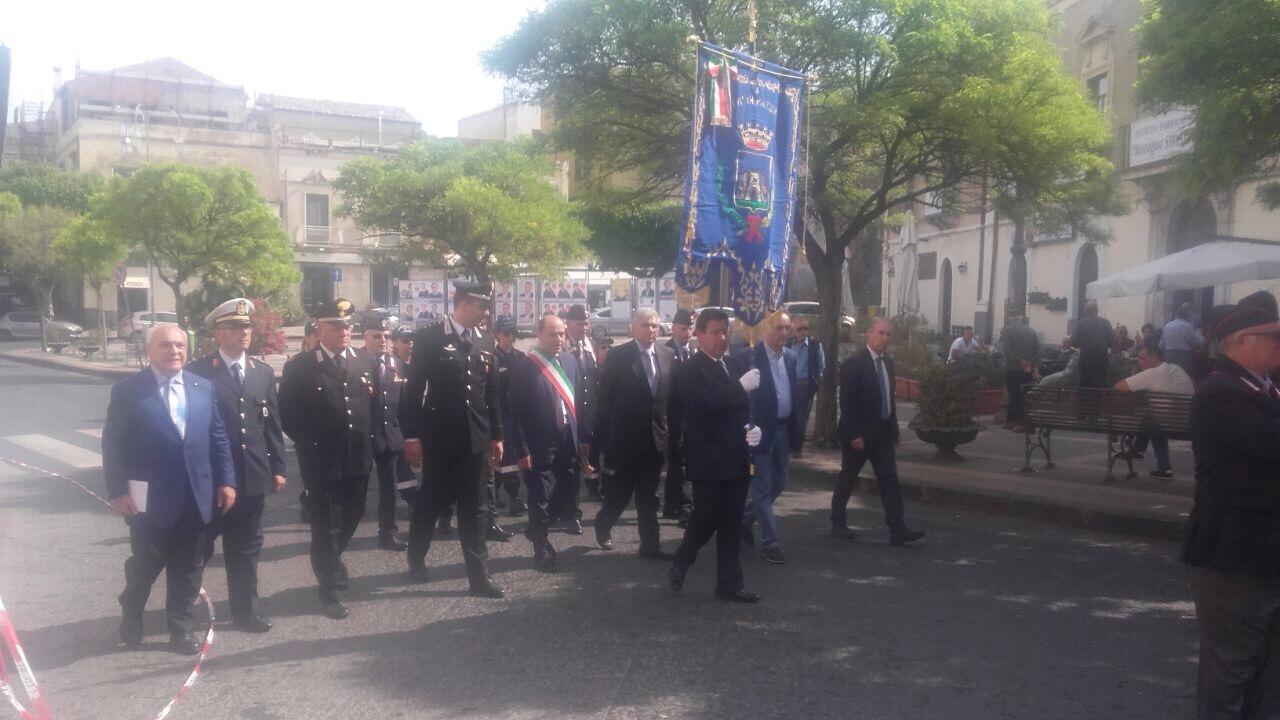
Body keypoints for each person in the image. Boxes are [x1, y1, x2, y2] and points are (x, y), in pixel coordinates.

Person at [103, 324, 236, 654]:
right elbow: (113, 444)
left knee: (190, 567)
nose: (174, 351)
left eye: (180, 345)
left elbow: (218, 437)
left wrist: (226, 480)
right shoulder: (128, 390)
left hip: (196, 494)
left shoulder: (202, 386)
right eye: (165, 345)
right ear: (149, 350)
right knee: (146, 565)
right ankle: (132, 613)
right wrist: (118, 491)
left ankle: (180, 628)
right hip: (148, 497)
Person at [1180, 294, 1280, 719]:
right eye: (1274, 336)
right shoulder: (1219, 391)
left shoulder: (1263, 387)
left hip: (1266, 554)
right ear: (1241, 341)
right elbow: (1269, 443)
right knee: (1229, 674)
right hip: (1234, 555)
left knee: (1268, 676)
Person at [399, 281, 505, 598]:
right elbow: (413, 390)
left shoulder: (485, 340)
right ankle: (416, 558)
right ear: (465, 303)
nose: (486, 313)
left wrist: (497, 435)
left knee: (476, 507)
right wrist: (412, 435)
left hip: (476, 438)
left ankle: (479, 578)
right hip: (440, 437)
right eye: (482, 306)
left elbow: (491, 393)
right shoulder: (430, 337)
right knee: (431, 501)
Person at [187, 299, 285, 634]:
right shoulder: (198, 372)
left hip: (252, 475)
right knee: (197, 549)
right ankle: (181, 614)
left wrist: (278, 466)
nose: (244, 332)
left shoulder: (262, 372)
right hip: (212, 478)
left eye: (246, 327)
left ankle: (246, 611)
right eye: (234, 327)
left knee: (246, 549)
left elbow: (270, 423)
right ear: (218, 333)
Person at [278, 298, 376, 620]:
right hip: (321, 460)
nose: (343, 331)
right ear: (319, 330)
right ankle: (331, 589)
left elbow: (373, 408)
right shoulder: (301, 367)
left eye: (347, 326)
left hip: (358, 457)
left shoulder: (363, 361)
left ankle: (327, 560)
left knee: (353, 515)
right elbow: (287, 415)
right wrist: (311, 444)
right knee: (326, 526)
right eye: (335, 326)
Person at [668, 309, 762, 603]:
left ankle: (730, 584)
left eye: (725, 331)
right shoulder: (689, 369)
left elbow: (744, 409)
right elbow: (704, 406)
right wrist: (739, 388)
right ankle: (683, 557)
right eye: (716, 332)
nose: (722, 337)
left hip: (736, 456)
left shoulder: (733, 365)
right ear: (699, 334)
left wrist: (753, 429)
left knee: (732, 522)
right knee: (705, 517)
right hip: (708, 459)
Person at [831, 318, 924, 546]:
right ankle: (838, 522)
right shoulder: (854, 364)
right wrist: (854, 435)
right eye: (881, 333)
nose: (885, 338)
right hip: (860, 435)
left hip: (882, 433)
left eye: (888, 334)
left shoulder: (888, 364)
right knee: (848, 477)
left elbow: (888, 398)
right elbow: (847, 403)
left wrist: (894, 430)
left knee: (889, 479)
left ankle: (897, 528)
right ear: (869, 334)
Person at [593, 308, 676, 560]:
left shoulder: (667, 354)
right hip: (625, 440)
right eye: (645, 325)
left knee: (649, 495)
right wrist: (604, 441)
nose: (651, 330)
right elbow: (604, 400)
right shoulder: (619, 356)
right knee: (620, 492)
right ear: (633, 326)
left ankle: (650, 546)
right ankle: (603, 523)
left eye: (654, 325)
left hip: (655, 440)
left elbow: (669, 397)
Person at [504, 314, 579, 571]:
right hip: (538, 441)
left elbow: (578, 403)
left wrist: (583, 437)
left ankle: (538, 528)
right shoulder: (525, 367)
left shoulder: (570, 361)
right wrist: (521, 448)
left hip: (567, 436)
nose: (559, 339)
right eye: (552, 334)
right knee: (539, 495)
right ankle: (541, 546)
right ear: (539, 334)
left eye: (562, 334)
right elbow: (515, 412)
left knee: (569, 486)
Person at [741, 312, 802, 564]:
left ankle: (744, 519)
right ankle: (770, 542)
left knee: (779, 483)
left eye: (787, 328)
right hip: (760, 431)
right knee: (762, 487)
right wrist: (747, 427)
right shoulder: (750, 357)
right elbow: (742, 398)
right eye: (778, 328)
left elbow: (793, 395)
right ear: (766, 329)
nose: (784, 333)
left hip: (783, 429)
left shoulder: (790, 357)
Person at [359, 319, 416, 551]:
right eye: (376, 336)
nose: (382, 340)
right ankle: (341, 529)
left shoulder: (396, 364)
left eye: (385, 336)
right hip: (362, 436)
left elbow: (403, 405)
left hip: (389, 434)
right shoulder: (355, 362)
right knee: (356, 488)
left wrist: (408, 436)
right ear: (365, 338)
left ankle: (388, 533)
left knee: (389, 488)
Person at [1113, 343, 1194, 480]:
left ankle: (1162, 466)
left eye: (1142, 358)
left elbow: (1119, 386)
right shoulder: (1176, 368)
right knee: (1151, 416)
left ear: (1155, 357)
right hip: (1188, 421)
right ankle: (1138, 449)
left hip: (1169, 424)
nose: (1139, 361)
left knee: (1153, 422)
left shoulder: (1152, 373)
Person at [561, 304, 601, 526]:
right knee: (571, 460)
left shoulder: (590, 344)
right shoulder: (560, 344)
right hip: (570, 411)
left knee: (590, 453)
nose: (584, 328)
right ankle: (571, 512)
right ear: (568, 323)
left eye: (586, 323)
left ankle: (594, 487)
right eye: (579, 324)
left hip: (589, 410)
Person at [663, 308, 696, 522]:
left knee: (679, 464)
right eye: (683, 328)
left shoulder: (693, 351)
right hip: (672, 417)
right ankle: (684, 506)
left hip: (691, 418)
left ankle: (669, 505)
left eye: (690, 329)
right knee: (679, 464)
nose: (687, 333)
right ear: (674, 327)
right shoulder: (664, 351)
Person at [492, 320, 527, 517]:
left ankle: (505, 494)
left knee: (511, 456)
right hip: (499, 414)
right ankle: (508, 495)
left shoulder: (521, 358)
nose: (511, 337)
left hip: (517, 414)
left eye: (513, 332)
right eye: (507, 333)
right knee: (502, 456)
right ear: (498, 334)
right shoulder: (491, 357)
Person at [789, 316, 824, 459]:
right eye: (799, 329)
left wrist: (815, 383)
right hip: (789, 385)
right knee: (789, 415)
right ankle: (791, 445)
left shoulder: (815, 345)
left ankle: (798, 447)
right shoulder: (788, 345)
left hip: (805, 387)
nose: (803, 332)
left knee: (801, 418)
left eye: (806, 329)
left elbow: (821, 367)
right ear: (793, 330)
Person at [999, 313, 1042, 432]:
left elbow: (1006, 350)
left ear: (1010, 318)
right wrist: (1035, 368)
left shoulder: (1007, 330)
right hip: (1027, 368)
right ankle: (1011, 421)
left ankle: (1020, 422)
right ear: (1021, 318)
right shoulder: (1031, 331)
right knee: (1023, 394)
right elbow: (1038, 350)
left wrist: (1019, 361)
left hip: (1012, 367)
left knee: (1014, 394)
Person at [1072, 301, 1114, 390]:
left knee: (1085, 383)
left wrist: (1083, 346)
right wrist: (1103, 345)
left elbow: (1074, 341)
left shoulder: (1080, 324)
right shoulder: (1105, 323)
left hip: (1086, 358)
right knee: (1100, 384)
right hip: (1102, 358)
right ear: (1097, 310)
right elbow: (1112, 341)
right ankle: (1097, 398)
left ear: (1085, 311)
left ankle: (1085, 398)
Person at [1162, 302, 1205, 375]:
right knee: (1183, 375)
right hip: (1183, 355)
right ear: (1187, 316)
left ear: (1176, 315)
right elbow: (1197, 342)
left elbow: (1161, 344)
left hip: (1169, 354)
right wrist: (1200, 335)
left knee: (1171, 375)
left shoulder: (1167, 326)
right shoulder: (1187, 326)